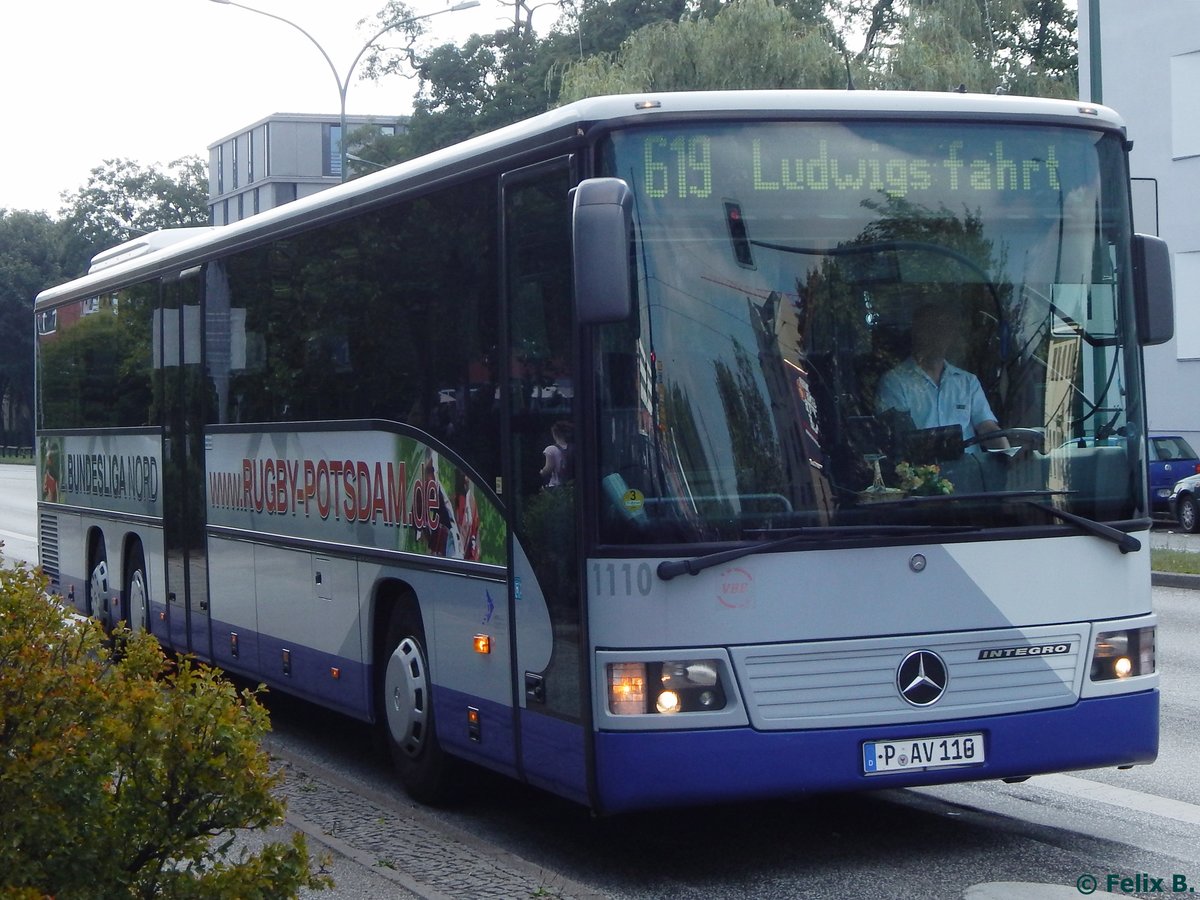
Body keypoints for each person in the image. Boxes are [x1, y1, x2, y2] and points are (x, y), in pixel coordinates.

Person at [876, 303, 1009, 452]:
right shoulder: (894, 382)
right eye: (930, 329)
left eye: (943, 330)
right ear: (916, 333)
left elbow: (986, 427)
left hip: (970, 472)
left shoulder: (968, 382)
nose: (937, 337)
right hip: (918, 474)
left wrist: (1007, 455)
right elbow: (898, 440)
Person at [540, 421, 574, 487]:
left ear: (554, 434)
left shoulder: (551, 449)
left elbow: (548, 469)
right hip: (571, 485)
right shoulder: (574, 448)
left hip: (556, 487)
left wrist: (541, 472)